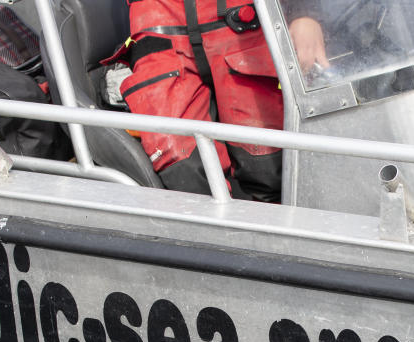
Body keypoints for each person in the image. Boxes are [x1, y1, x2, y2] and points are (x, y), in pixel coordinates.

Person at [118, 0, 323, 202]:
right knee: (185, 174)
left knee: (273, 168)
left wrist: (303, 12)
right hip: (159, 24)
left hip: (245, 26)